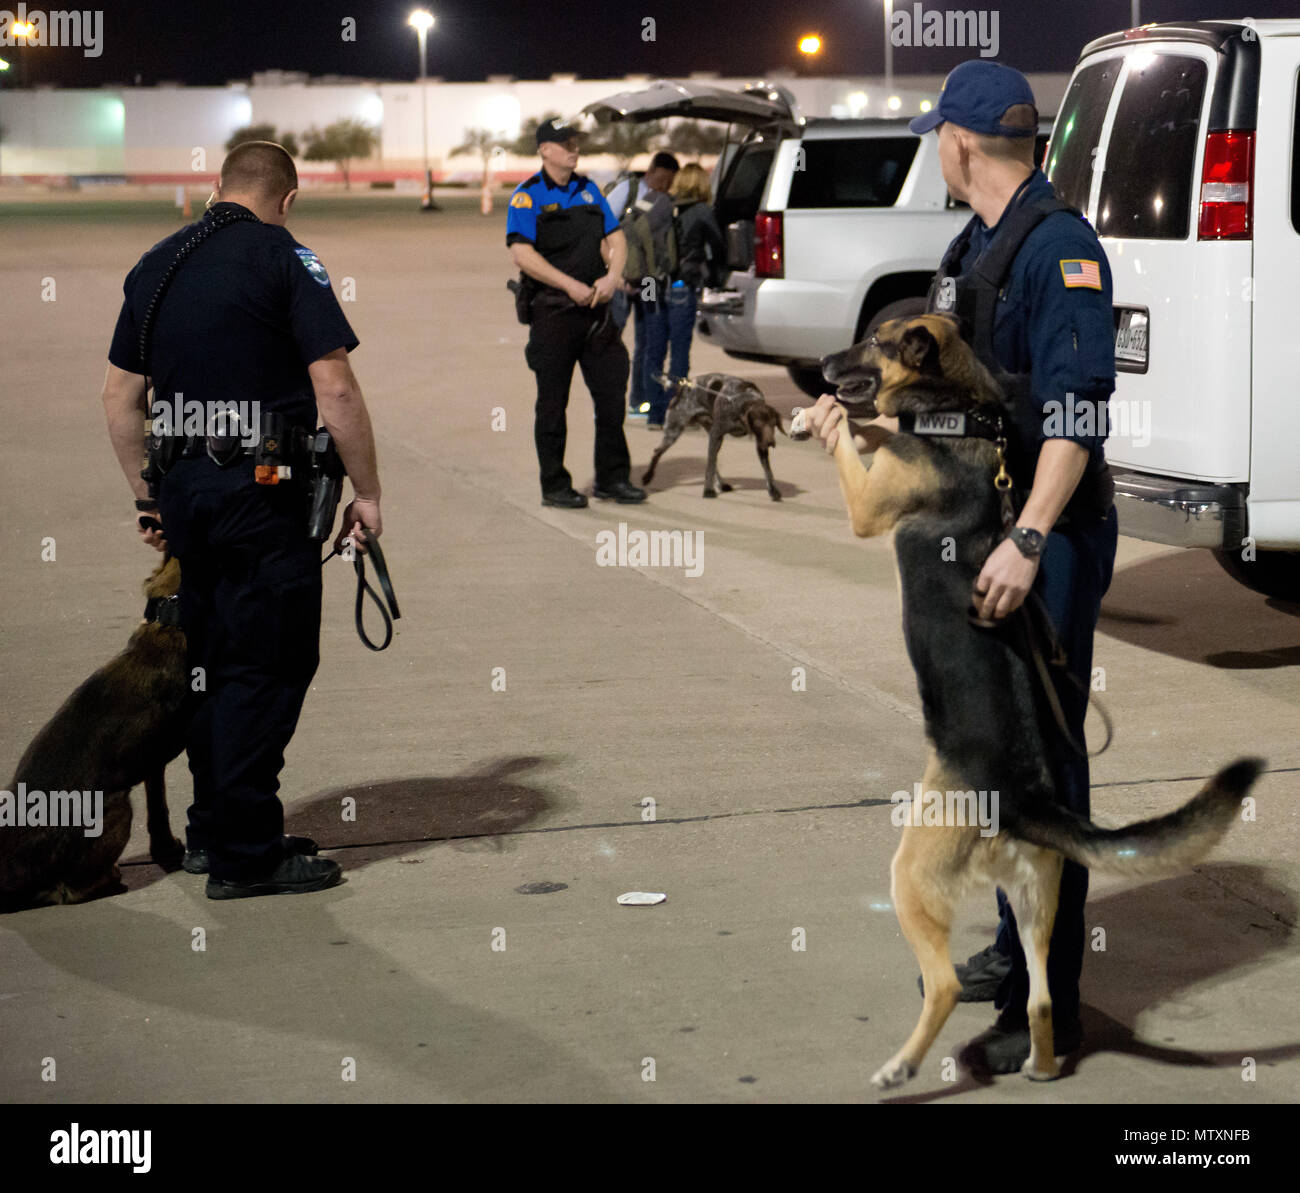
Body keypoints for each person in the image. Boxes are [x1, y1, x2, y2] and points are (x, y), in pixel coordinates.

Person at [807, 60, 1118, 1073]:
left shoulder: (1057, 247)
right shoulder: (969, 247)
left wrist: (1029, 538)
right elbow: (943, 395)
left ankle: (1057, 997)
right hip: (984, 520)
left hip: (1048, 532)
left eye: (935, 134)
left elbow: (1075, 410)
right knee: (989, 747)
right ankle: (1006, 938)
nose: (932, 147)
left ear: (961, 144)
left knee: (1044, 747)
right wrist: (856, 419)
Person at [101, 141, 382, 899]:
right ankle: (247, 854)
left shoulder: (156, 263)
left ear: (217, 186)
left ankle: (212, 829)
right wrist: (369, 492)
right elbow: (338, 391)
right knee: (269, 664)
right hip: (263, 496)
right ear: (286, 198)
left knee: (211, 662)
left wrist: (147, 497)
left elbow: (120, 401)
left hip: (188, 493)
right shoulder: (286, 258)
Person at [507, 118, 646, 507]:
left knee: (611, 396)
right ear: (544, 149)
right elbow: (521, 253)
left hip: (597, 314)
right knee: (552, 403)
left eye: (575, 142)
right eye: (564, 143)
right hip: (553, 314)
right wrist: (568, 284)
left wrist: (612, 276)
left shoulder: (588, 189)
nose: (573, 149)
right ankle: (555, 485)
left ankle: (613, 479)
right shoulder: (527, 195)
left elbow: (615, 237)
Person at [643, 162, 726, 412]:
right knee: (679, 349)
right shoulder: (701, 210)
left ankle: (654, 412)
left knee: (653, 348)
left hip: (651, 284)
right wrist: (715, 277)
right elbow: (719, 247)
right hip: (680, 284)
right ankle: (675, 406)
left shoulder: (660, 204)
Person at [604, 152, 679, 423]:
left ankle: (639, 401)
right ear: (652, 172)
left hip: (648, 281)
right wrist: (614, 275)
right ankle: (607, 401)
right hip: (623, 279)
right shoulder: (628, 190)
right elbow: (602, 228)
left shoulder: (664, 201)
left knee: (647, 340)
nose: (666, 185)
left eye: (670, 182)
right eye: (663, 179)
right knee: (612, 339)